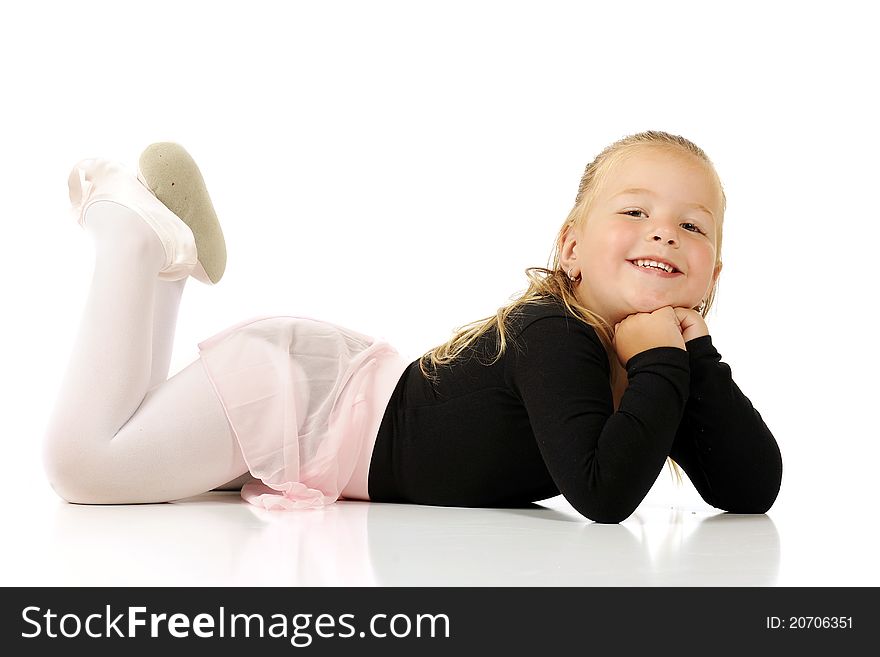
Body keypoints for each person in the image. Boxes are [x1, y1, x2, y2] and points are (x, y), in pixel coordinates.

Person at [42, 131, 782, 524]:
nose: (663, 235)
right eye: (634, 211)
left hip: (323, 402)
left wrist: (693, 352)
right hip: (303, 403)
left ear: (713, 272)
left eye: (692, 225)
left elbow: (751, 486)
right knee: (86, 466)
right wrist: (660, 364)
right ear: (569, 248)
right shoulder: (554, 329)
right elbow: (601, 492)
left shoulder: (652, 359)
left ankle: (169, 258)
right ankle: (126, 231)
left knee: (128, 437)